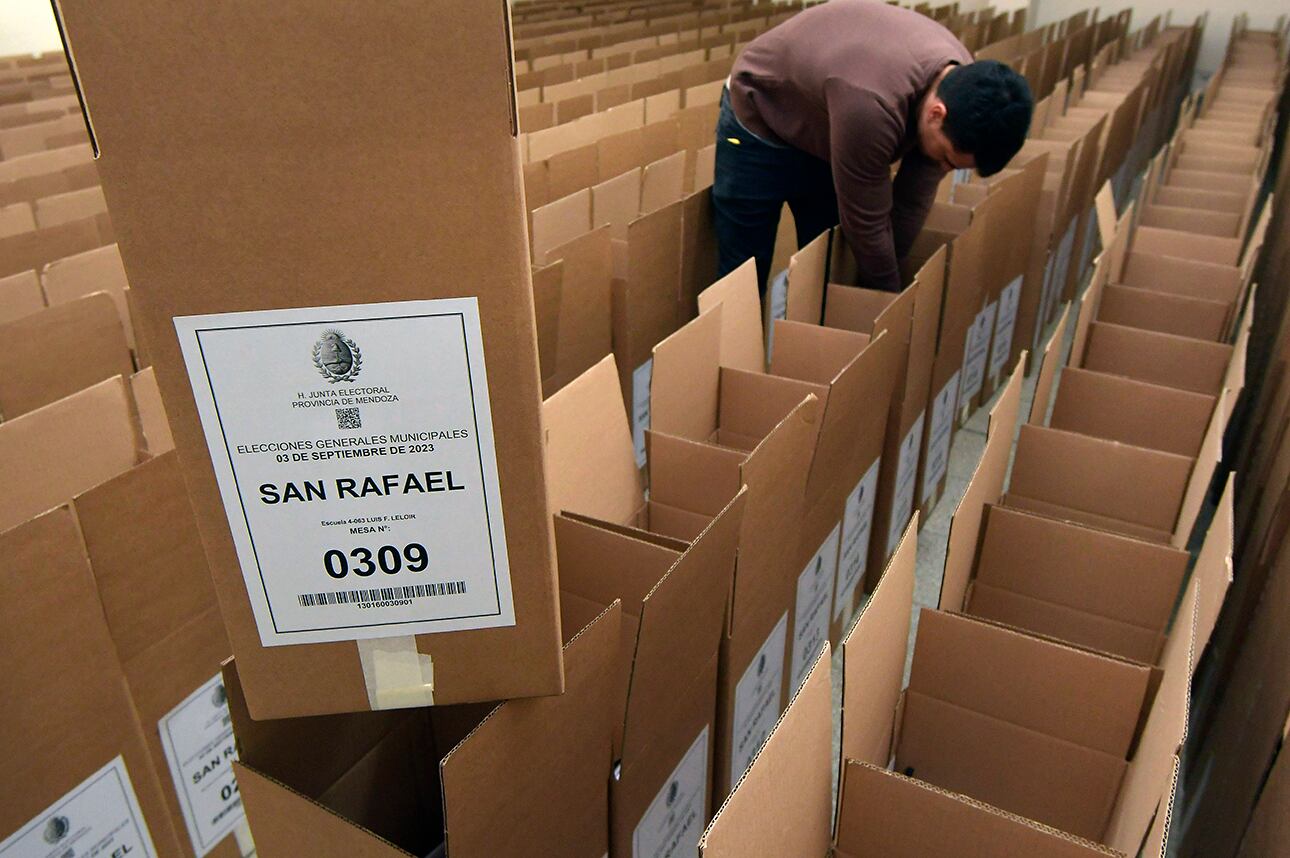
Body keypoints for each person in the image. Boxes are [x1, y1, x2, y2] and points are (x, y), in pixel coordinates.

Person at [714, 0, 1034, 294]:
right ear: (937, 113)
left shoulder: (961, 80)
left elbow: (910, 201)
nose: (944, 169)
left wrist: (879, 303)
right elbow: (868, 222)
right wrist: (884, 297)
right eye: (948, 160)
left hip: (827, 122)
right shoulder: (870, 107)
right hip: (759, 116)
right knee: (745, 267)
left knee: (827, 261)